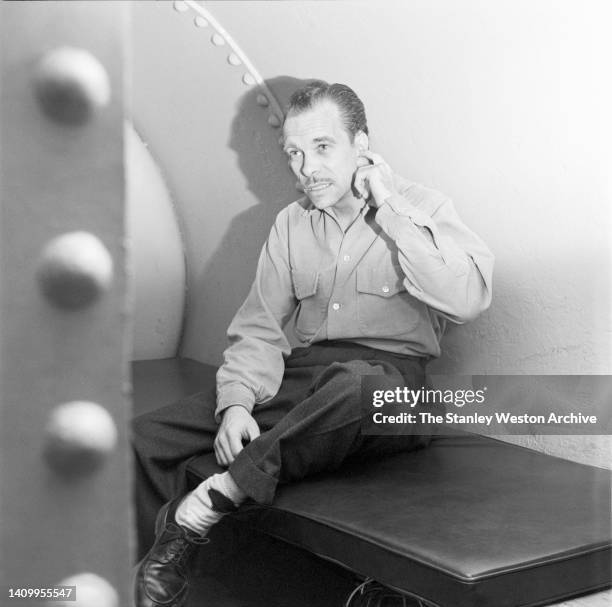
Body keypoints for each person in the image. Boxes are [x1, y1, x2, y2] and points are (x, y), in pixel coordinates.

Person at [133, 80, 494, 607]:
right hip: (305, 379)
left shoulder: (422, 207)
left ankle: (214, 500)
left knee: (356, 386)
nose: (306, 168)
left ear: (361, 145)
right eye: (295, 153)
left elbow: (466, 300)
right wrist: (236, 404)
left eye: (322, 148)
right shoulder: (290, 223)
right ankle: (149, 577)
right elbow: (259, 327)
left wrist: (387, 205)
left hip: (388, 384)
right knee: (146, 438)